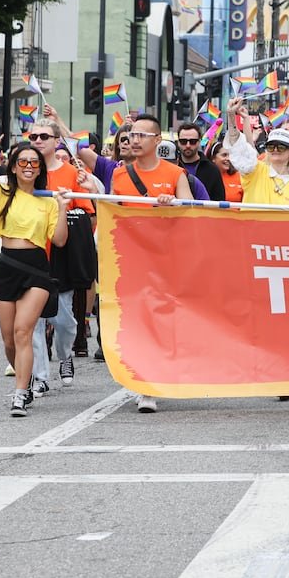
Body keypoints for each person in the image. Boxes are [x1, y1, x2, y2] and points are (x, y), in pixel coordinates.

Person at [0, 130, 71, 417]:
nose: (29, 167)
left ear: (40, 169)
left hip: (36, 267)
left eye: (34, 162)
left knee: (23, 331)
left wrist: (62, 207)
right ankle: (26, 376)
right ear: (13, 166)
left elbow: (59, 240)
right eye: (23, 162)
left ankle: (20, 393)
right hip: (7, 265)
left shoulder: (48, 201)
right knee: (9, 339)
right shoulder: (2, 192)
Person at [107, 113, 191, 413]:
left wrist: (173, 205)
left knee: (159, 321)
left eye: (142, 135)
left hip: (165, 260)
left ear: (157, 140)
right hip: (130, 260)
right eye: (132, 134)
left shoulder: (175, 174)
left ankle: (151, 384)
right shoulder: (119, 175)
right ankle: (143, 381)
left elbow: (191, 213)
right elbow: (110, 213)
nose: (134, 140)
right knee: (135, 322)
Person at [22, 119, 99, 395]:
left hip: (61, 252)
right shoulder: (25, 172)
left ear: (57, 141)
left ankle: (65, 354)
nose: (38, 141)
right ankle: (40, 376)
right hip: (30, 251)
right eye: (33, 136)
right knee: (33, 321)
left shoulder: (72, 172)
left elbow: (88, 215)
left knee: (63, 320)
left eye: (44, 136)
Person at [175, 122, 225, 200]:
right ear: (178, 142)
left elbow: (219, 200)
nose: (188, 145)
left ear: (199, 142)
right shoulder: (172, 166)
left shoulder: (212, 170)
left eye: (193, 141)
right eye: (183, 141)